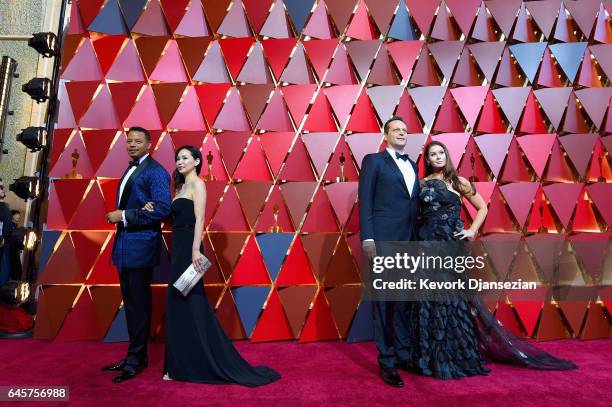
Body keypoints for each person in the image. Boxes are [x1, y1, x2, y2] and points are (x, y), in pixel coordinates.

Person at [401, 140, 576, 379]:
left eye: (442, 152)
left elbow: (482, 207)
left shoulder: (458, 181)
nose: (438, 156)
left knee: (451, 299)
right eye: (433, 154)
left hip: (450, 247)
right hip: (426, 247)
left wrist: (471, 230)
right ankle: (428, 355)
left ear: (447, 156)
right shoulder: (421, 184)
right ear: (428, 160)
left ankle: (451, 354)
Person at [143, 146, 280, 386]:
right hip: (179, 249)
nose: (180, 161)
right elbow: (177, 219)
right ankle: (179, 365)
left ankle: (188, 365)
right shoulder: (180, 187)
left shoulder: (198, 185)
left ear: (197, 161)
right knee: (182, 307)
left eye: (185, 157)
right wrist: (155, 211)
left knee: (189, 305)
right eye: (178, 158)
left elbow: (199, 219)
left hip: (191, 252)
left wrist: (196, 250)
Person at [102, 127, 172, 383]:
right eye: (129, 140)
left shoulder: (156, 172)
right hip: (125, 246)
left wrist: (124, 216)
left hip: (141, 246)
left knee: (139, 306)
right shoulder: (132, 167)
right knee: (131, 305)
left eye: (137, 141)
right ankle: (135, 356)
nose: (132, 144)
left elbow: (163, 208)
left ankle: (136, 360)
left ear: (149, 144)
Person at [358, 116, 419, 387]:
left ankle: (404, 354)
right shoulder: (373, 161)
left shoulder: (414, 164)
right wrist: (368, 239)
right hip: (382, 241)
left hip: (410, 242)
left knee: (405, 301)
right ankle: (387, 361)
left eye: (405, 129)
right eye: (396, 129)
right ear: (386, 135)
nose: (402, 133)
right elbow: (366, 202)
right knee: (384, 303)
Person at [0, 178, 13, 285]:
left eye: (3, 186)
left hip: (7, 248)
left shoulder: (4, 206)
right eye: (0, 187)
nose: (3, 189)